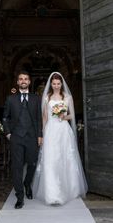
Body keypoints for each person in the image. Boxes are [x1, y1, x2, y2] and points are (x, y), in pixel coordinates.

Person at [32, 72, 87, 205]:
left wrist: (64, 117)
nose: (56, 86)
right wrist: (42, 133)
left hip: (63, 130)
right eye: (54, 84)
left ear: (62, 84)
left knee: (65, 158)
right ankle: (52, 193)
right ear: (50, 84)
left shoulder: (67, 97)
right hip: (50, 130)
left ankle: (69, 190)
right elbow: (44, 117)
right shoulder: (47, 97)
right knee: (50, 159)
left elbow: (72, 115)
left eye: (58, 83)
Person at [2, 71, 43, 209]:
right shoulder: (10, 99)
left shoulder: (36, 98)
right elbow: (5, 118)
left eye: (26, 79)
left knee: (32, 163)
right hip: (16, 137)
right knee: (17, 167)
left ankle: (27, 183)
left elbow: (39, 119)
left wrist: (40, 135)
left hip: (32, 136)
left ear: (29, 82)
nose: (23, 81)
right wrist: (8, 134)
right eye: (21, 79)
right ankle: (19, 196)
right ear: (18, 82)